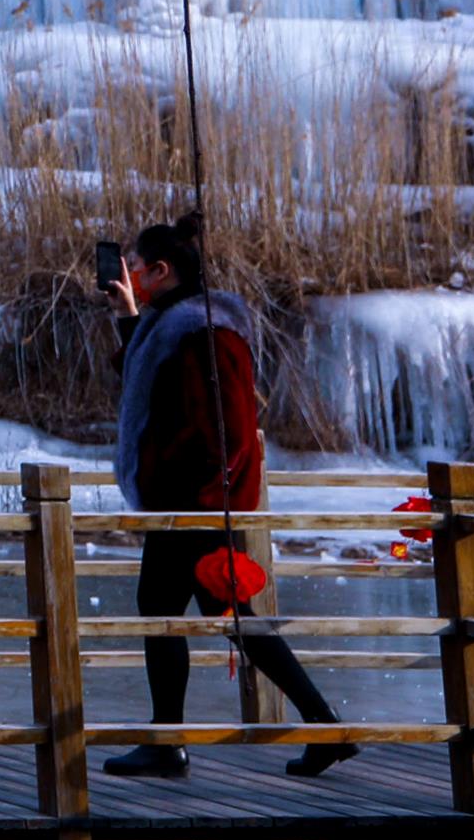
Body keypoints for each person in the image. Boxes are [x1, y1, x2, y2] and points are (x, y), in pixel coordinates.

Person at [105, 216, 351, 780]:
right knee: (216, 614)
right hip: (187, 503)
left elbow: (230, 430)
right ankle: (322, 724)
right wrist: (126, 317)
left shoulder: (204, 332)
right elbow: (151, 384)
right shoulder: (178, 323)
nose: (131, 276)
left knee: (173, 613)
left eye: (137, 269)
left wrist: (208, 503)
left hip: (196, 504)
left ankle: (171, 743)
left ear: (161, 271)